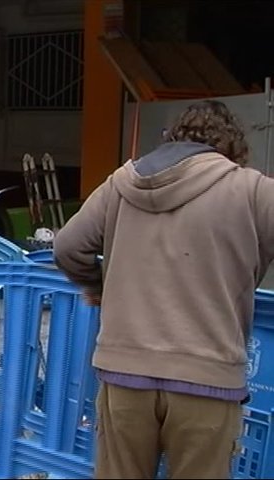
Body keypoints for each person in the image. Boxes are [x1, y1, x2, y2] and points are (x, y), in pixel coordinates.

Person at [53, 100, 272, 479]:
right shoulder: (253, 190)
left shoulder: (119, 185)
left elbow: (67, 247)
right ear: (233, 148)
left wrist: (98, 286)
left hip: (124, 376)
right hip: (208, 379)